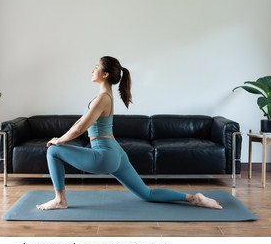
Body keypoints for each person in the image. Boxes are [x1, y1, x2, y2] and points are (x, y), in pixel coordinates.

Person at [36, 56, 222, 210]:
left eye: (96, 67)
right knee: (146, 193)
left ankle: (60, 200)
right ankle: (193, 198)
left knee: (52, 151)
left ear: (105, 74)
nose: (92, 71)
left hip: (104, 155)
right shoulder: (105, 97)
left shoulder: (102, 98)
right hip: (116, 152)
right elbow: (79, 122)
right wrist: (59, 139)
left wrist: (58, 142)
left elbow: (79, 129)